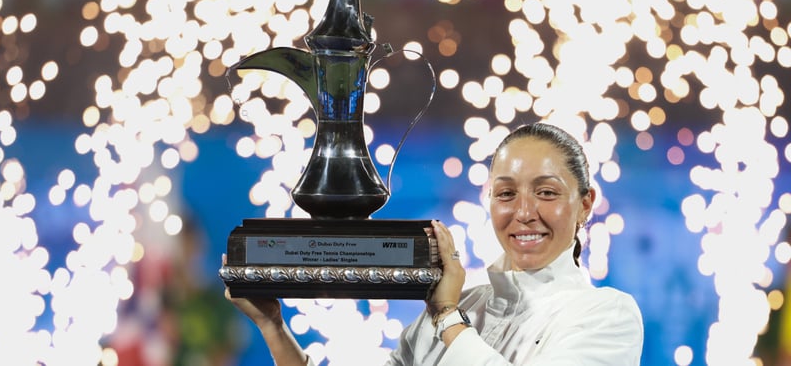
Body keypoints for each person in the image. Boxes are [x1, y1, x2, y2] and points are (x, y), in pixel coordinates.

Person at [225, 122, 644, 365]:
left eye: (546, 192)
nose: (524, 212)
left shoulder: (607, 315)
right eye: (506, 193)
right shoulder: (458, 309)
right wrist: (274, 327)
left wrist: (446, 315)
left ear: (585, 204)